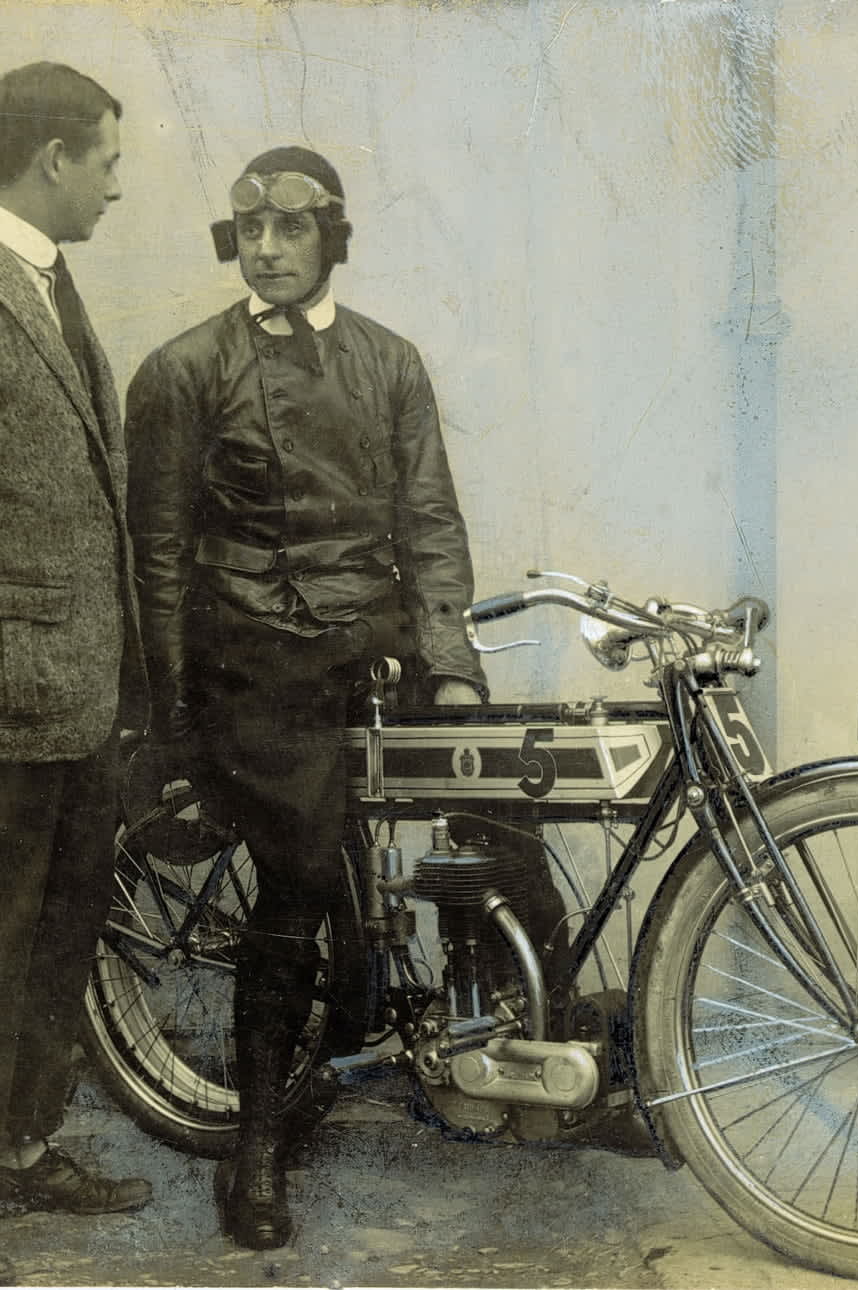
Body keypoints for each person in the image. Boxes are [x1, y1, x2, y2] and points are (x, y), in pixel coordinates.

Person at [124, 146, 493, 1251]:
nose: (268, 248)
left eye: (290, 228)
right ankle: (257, 1146)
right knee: (292, 880)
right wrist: (177, 714)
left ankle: (545, 1061)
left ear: (334, 236)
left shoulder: (391, 363)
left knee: (510, 802)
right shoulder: (185, 371)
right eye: (249, 230)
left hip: (373, 644)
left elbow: (429, 522)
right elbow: (155, 560)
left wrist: (454, 662)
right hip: (256, 659)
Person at [0, 59, 153, 1250]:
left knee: (57, 935)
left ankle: (21, 1150)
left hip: (81, 691)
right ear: (53, 158)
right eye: (105, 156)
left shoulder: (48, 283)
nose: (116, 182)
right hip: (14, 694)